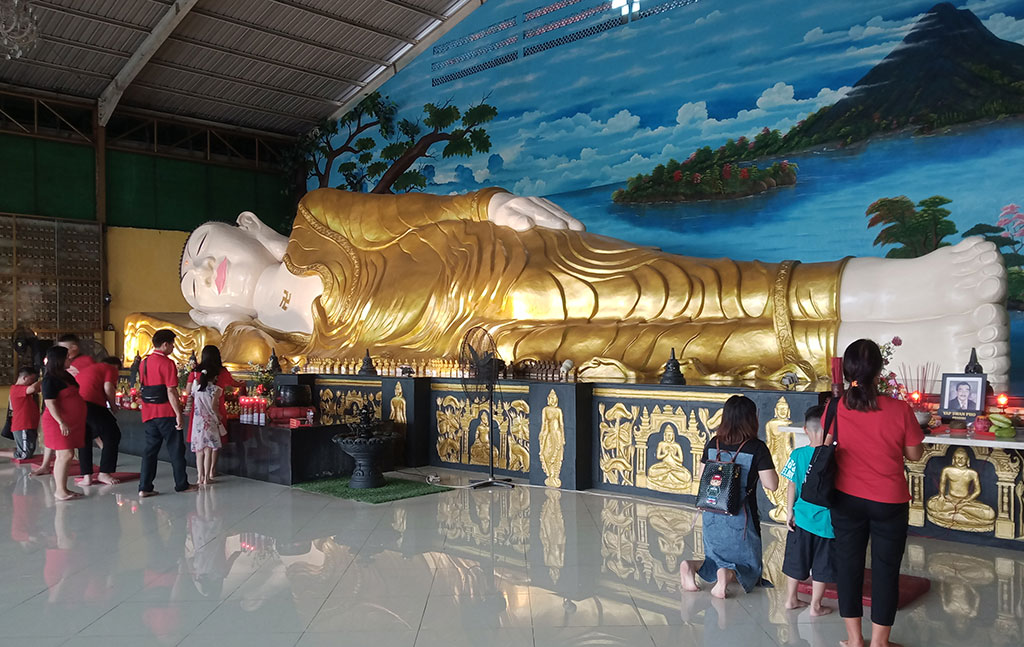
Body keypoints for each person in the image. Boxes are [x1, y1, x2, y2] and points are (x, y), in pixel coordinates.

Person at [167, 189, 1010, 387]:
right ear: (210, 308)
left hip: (509, 266)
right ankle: (920, 352)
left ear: (246, 228)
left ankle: (915, 278)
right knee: (680, 348)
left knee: (693, 288)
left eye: (200, 246)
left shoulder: (318, 220)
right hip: (499, 344)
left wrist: (491, 203)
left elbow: (410, 211)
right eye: (192, 282)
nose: (198, 266)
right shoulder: (306, 353)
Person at [831, 339, 924, 647]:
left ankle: (855, 642)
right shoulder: (899, 409)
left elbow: (827, 444)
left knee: (848, 567)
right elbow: (914, 453)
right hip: (888, 500)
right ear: (880, 370)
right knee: (886, 570)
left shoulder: (837, 406)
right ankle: (880, 645)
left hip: (845, 498)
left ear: (847, 370)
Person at [680, 395, 779, 598]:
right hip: (741, 516)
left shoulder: (713, 443)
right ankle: (726, 575)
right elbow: (771, 484)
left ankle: (691, 567)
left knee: (714, 556)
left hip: (712, 511)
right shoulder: (756, 447)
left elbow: (701, 476)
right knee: (749, 565)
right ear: (752, 419)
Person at [780, 404, 835, 616]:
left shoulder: (797, 455)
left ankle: (791, 599)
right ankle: (816, 606)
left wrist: (789, 512)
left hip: (801, 518)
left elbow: (791, 485)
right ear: (830, 430)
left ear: (805, 430)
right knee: (822, 564)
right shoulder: (834, 456)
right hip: (826, 521)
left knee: (796, 559)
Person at [139, 329, 197, 498]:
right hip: (166, 412)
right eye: (172, 344)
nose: (172, 347)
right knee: (176, 449)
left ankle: (145, 487)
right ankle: (181, 484)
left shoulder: (144, 362)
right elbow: (171, 391)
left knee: (150, 451)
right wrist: (178, 413)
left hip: (149, 413)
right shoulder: (167, 363)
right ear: (165, 344)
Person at [185, 345, 242, 482]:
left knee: (200, 445)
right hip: (216, 410)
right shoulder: (221, 372)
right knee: (215, 442)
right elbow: (234, 383)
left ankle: (201, 476)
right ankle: (212, 471)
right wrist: (241, 384)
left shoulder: (195, 372)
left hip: (199, 412)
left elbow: (188, 391)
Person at [40, 346, 87, 501]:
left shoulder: (65, 376)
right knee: (65, 454)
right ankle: (59, 490)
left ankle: (64, 488)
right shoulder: (49, 379)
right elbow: (50, 403)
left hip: (71, 421)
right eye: (67, 357)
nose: (70, 359)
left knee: (67, 454)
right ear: (59, 360)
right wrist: (61, 421)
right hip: (57, 421)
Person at [75, 357, 122, 486]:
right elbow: (108, 387)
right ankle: (104, 473)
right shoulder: (110, 368)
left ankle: (87, 477)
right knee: (112, 435)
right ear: (115, 366)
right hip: (91, 404)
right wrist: (113, 405)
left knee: (85, 438)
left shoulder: (90, 369)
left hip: (76, 404)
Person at [190, 350, 227, 486]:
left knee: (199, 451)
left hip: (198, 422)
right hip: (210, 422)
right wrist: (219, 415)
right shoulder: (216, 390)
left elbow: (191, 398)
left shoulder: (196, 388)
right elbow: (213, 406)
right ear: (215, 377)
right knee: (209, 450)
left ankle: (199, 477)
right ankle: (207, 478)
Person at [9, 366, 41, 460]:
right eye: (31, 379)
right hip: (23, 425)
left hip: (29, 425)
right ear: (24, 378)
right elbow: (32, 389)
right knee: (24, 454)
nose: (32, 382)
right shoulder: (16, 389)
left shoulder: (23, 390)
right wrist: (43, 379)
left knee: (28, 449)